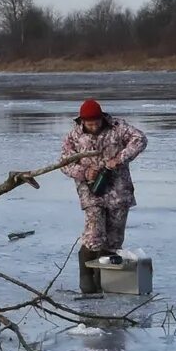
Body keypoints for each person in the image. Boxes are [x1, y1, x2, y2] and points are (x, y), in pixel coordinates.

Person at [62, 97, 147, 266]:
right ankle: (89, 286)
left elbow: (140, 139)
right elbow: (65, 164)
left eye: (96, 122)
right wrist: (85, 172)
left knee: (114, 240)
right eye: (90, 123)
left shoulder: (117, 127)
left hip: (119, 190)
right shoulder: (74, 136)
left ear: (102, 117)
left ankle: (107, 282)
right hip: (92, 191)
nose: (94, 126)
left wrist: (119, 159)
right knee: (94, 237)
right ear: (82, 121)